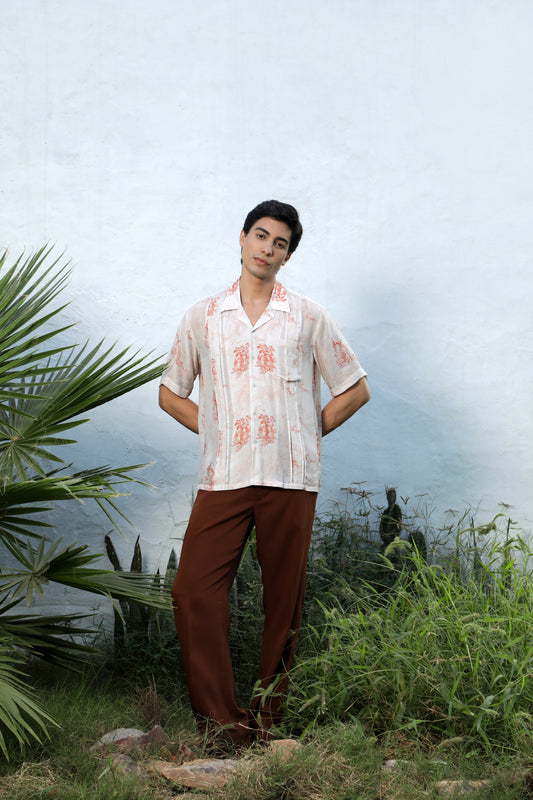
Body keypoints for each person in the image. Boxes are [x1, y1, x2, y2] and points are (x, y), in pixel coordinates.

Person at [159, 199, 370, 748]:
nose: (267, 248)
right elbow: (170, 393)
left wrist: (304, 435)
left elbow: (354, 389)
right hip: (224, 476)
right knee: (192, 591)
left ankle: (266, 721)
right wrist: (217, 432)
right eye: (260, 235)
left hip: (289, 478)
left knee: (283, 604)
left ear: (287, 255)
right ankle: (223, 726)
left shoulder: (308, 316)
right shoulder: (203, 317)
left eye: (280, 243)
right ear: (242, 237)